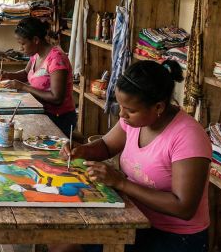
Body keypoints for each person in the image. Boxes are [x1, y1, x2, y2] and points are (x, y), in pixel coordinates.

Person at [55, 60, 211, 252]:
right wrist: (81, 149)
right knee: (62, 246)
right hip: (134, 216)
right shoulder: (136, 121)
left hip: (174, 236)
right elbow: (105, 145)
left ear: (159, 107)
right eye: (121, 106)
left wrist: (121, 183)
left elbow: (183, 208)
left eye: (130, 110)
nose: (122, 115)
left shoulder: (188, 137)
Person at [0, 17, 76, 135]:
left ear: (36, 40)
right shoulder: (36, 54)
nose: (20, 48)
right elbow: (26, 73)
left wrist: (23, 87)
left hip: (59, 118)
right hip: (41, 111)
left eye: (23, 44)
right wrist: (8, 75)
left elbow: (57, 98)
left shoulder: (56, 59)